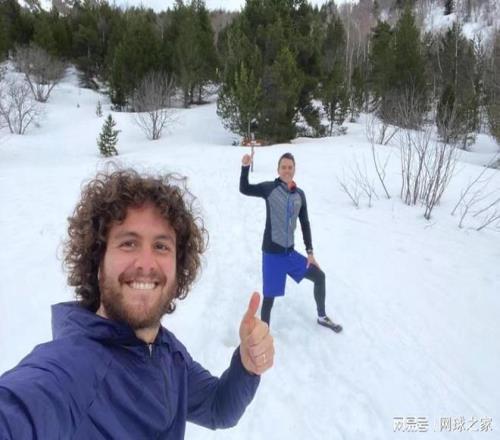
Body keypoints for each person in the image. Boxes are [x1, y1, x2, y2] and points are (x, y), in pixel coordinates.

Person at [0, 169, 274, 439]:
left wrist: (246, 367)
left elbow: (218, 408)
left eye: (161, 246)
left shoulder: (168, 352)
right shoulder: (70, 369)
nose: (146, 263)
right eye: (129, 243)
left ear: (178, 268)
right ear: (98, 263)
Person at [240, 152, 342, 332]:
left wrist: (310, 253)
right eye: (283, 167)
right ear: (278, 169)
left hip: (290, 255)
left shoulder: (299, 195)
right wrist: (245, 167)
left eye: (290, 167)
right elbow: (245, 188)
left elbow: (305, 223)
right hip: (272, 255)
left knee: (319, 276)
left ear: (294, 169)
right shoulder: (269, 188)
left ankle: (322, 317)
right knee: (269, 298)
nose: (287, 170)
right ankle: (264, 333)